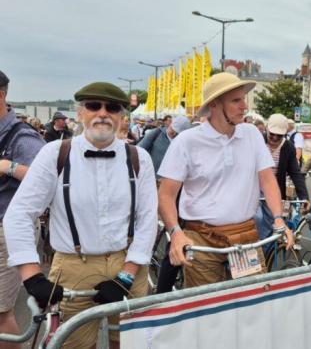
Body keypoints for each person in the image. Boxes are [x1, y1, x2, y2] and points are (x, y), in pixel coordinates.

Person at [3, 81, 158, 349]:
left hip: (129, 263)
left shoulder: (138, 157)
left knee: (132, 344)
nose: (103, 113)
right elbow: (19, 214)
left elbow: (147, 219)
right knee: (74, 344)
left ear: (122, 116)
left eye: (112, 107)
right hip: (75, 266)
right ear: (81, 113)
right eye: (93, 106)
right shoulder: (55, 154)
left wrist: (127, 274)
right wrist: (31, 275)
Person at [157, 73, 293, 287]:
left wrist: (278, 219)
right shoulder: (187, 141)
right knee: (206, 306)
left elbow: (267, 180)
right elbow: (166, 194)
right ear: (214, 104)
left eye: (243, 99)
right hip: (202, 237)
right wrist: (175, 233)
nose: (244, 106)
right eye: (236, 100)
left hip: (245, 235)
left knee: (253, 300)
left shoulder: (251, 134)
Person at [0, 70, 45, 345]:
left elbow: (48, 177)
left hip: (7, 230)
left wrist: (9, 167)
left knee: (1, 313)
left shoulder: (22, 136)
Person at [255, 114, 310, 242]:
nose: (274, 137)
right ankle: (258, 247)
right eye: (272, 134)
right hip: (254, 187)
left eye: (278, 135)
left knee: (273, 223)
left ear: (284, 134)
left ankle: (265, 253)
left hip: (274, 190)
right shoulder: (258, 141)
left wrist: (304, 196)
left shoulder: (288, 147)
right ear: (267, 129)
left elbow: (295, 173)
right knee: (256, 218)